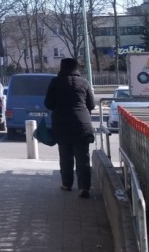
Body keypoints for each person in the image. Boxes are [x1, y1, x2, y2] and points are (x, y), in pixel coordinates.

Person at [44, 57, 96, 198]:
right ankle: (84, 188)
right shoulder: (84, 82)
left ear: (62, 67)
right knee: (83, 157)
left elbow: (48, 103)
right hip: (82, 124)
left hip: (62, 124)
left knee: (65, 155)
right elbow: (91, 105)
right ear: (76, 67)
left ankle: (67, 184)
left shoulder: (55, 82)